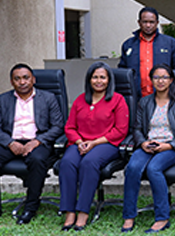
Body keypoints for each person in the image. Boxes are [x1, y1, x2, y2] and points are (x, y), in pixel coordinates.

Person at [0, 64, 63, 225]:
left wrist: (37, 141)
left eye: (26, 78)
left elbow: (58, 126)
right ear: (12, 82)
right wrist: (10, 143)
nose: (22, 82)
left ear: (33, 80)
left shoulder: (48, 98)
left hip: (38, 141)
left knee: (37, 160)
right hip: (10, 141)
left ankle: (31, 207)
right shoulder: (4, 99)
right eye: (17, 79)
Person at [121, 65, 175, 233]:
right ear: (151, 80)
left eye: (164, 77)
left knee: (154, 168)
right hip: (149, 144)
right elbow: (137, 128)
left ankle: (162, 218)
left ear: (171, 80)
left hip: (174, 147)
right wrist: (142, 143)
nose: (160, 81)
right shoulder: (144, 102)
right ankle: (129, 215)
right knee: (132, 168)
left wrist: (169, 145)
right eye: (156, 77)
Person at [60, 62, 129, 231]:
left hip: (105, 144)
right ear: (89, 80)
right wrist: (78, 142)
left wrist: (94, 142)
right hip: (80, 143)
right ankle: (69, 212)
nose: (99, 81)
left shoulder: (118, 100)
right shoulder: (80, 100)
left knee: (89, 162)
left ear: (109, 80)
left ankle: (82, 212)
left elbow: (120, 130)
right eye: (95, 77)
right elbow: (69, 127)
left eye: (102, 77)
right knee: (67, 162)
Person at [119, 7, 175, 97]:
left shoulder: (170, 43)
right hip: (136, 97)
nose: (148, 25)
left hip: (164, 97)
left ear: (157, 23)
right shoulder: (128, 45)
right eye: (145, 22)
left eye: (152, 22)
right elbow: (123, 71)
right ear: (139, 22)